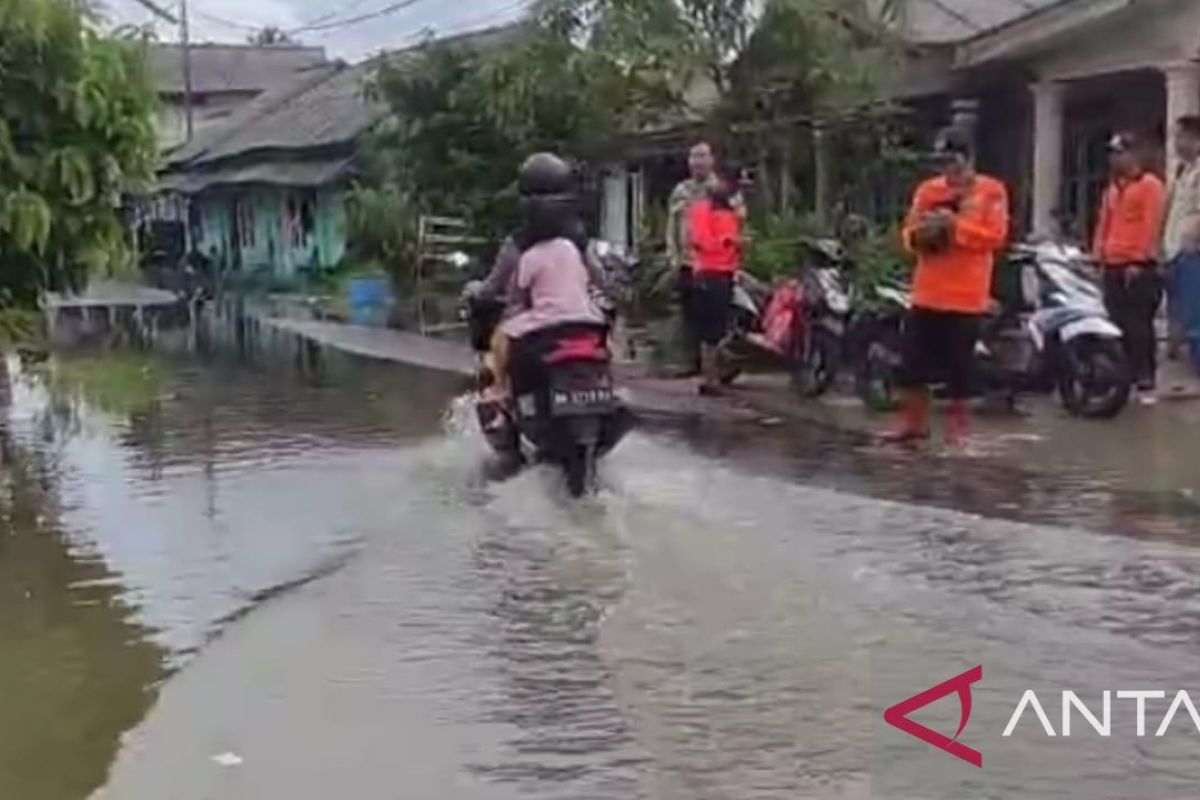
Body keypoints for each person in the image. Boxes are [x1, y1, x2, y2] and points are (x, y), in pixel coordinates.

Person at [886, 126, 1010, 447]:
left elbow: (995, 237)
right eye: (941, 162)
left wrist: (955, 227)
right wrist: (924, 235)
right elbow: (908, 235)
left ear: (968, 159)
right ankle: (914, 424)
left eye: (952, 161)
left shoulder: (990, 191)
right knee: (911, 362)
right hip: (928, 291)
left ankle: (958, 430)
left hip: (965, 296)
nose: (947, 170)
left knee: (959, 369)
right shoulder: (928, 191)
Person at [480, 153, 605, 403]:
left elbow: (509, 292)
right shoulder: (576, 243)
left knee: (501, 337)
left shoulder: (520, 247)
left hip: (540, 327)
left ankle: (499, 390)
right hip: (587, 320)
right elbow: (600, 278)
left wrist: (482, 295)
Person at [1093, 132, 1167, 400]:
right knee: (1116, 321)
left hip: (1138, 265)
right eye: (1113, 153)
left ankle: (1145, 376)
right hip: (1113, 262)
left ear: (1134, 154)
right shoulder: (1113, 189)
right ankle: (1124, 374)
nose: (1115, 158)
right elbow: (1104, 223)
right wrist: (1098, 255)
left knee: (1138, 323)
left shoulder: (1150, 186)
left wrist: (1141, 259)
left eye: (1120, 152)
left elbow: (1152, 224)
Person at [666, 141, 745, 377]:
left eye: (702, 156)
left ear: (712, 160)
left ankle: (717, 367)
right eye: (693, 157)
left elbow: (738, 222)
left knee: (717, 318)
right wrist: (672, 255)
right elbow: (673, 225)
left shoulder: (723, 190)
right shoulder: (681, 191)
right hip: (688, 262)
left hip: (716, 265)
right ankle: (695, 363)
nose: (697, 162)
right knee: (690, 314)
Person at [687, 171, 744, 395]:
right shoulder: (702, 210)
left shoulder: (730, 213)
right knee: (710, 330)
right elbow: (701, 241)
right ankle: (709, 378)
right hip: (709, 273)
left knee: (722, 326)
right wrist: (729, 241)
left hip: (727, 272)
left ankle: (717, 372)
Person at [1162, 116, 1200, 378]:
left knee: (1195, 316)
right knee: (1179, 318)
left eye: (1181, 137)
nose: (1176, 143)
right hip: (1174, 252)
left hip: (1192, 252)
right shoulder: (1180, 171)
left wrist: (1192, 237)